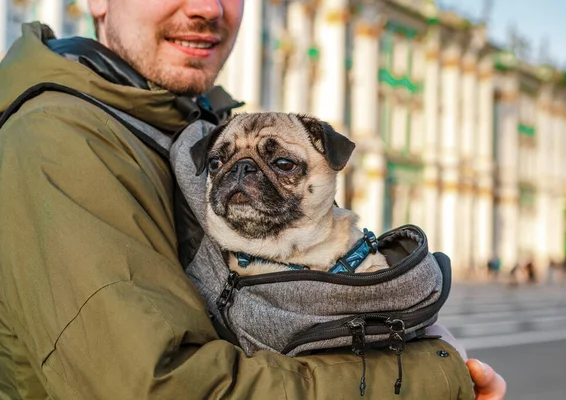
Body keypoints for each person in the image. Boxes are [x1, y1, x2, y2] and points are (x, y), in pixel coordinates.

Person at [0, 1, 506, 398]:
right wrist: (438, 376)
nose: (208, 8)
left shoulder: (155, 122)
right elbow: (161, 388)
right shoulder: (61, 140)